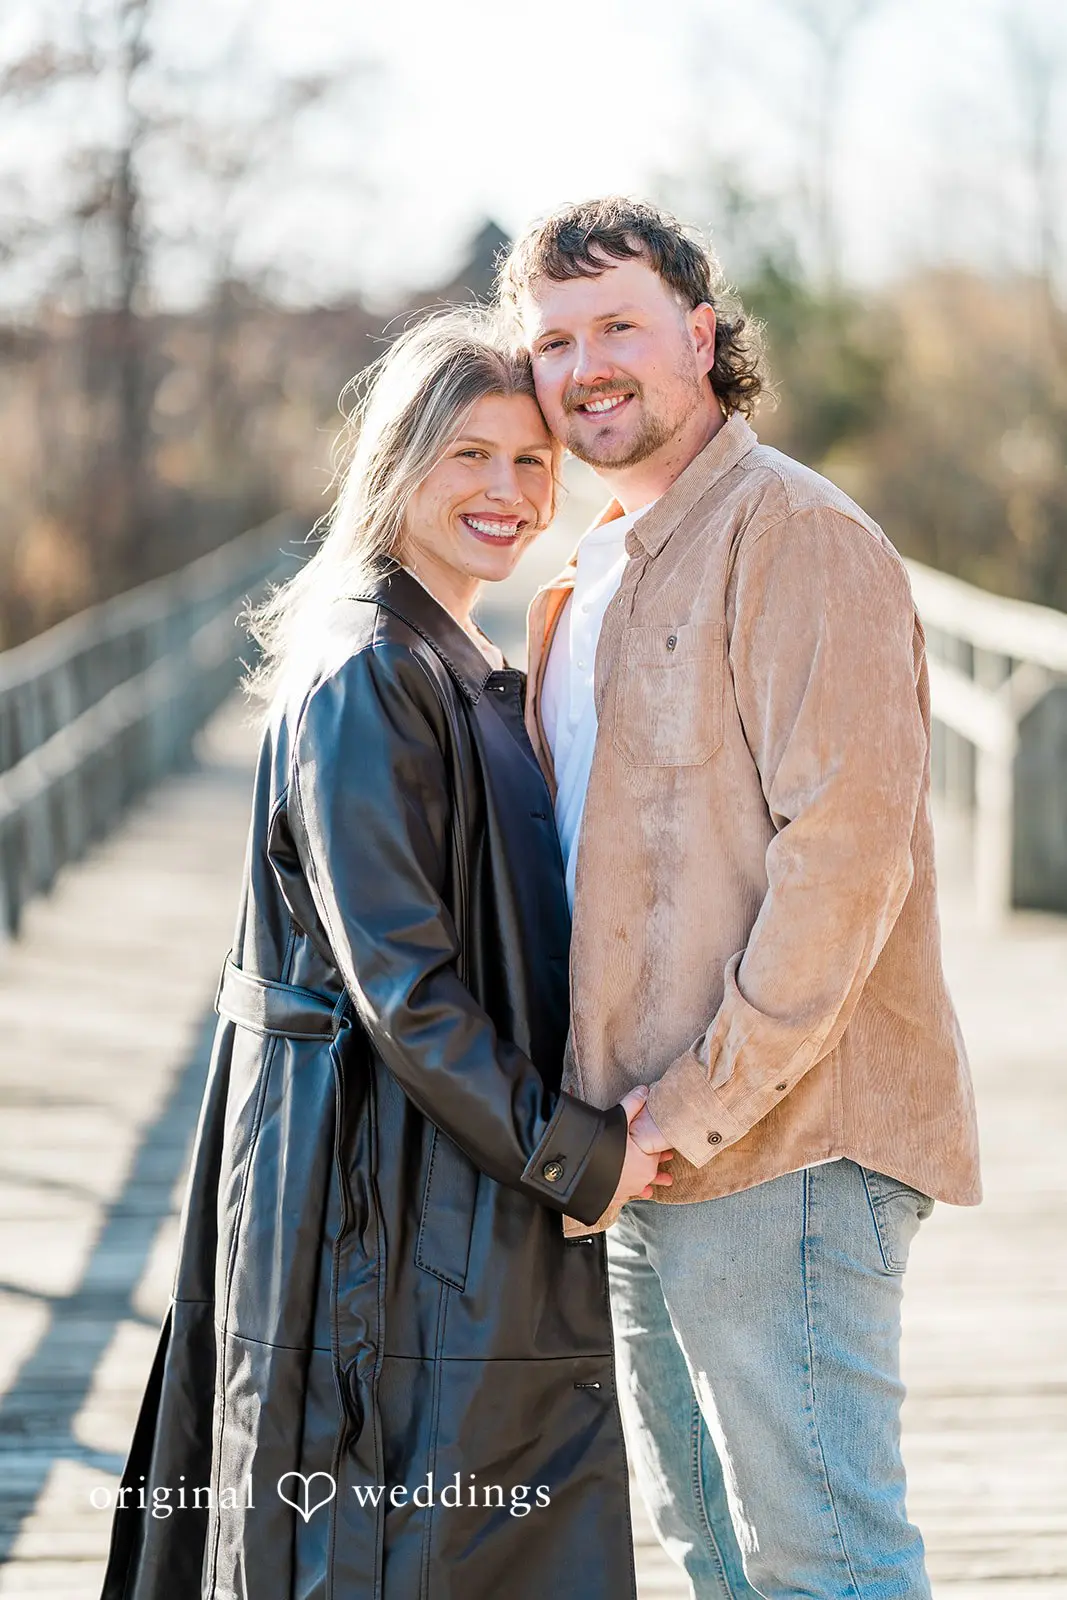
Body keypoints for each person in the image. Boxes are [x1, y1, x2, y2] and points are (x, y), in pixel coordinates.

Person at [99, 308, 673, 1600]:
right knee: (391, 1548)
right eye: (468, 455)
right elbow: (403, 991)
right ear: (397, 460)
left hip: (443, 1166)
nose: (507, 492)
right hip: (378, 1196)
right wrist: (580, 1157)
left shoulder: (448, 647)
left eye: (532, 464)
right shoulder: (371, 670)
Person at [498, 197, 982, 1600]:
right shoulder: (589, 570)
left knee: (821, 1560)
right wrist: (607, 1133)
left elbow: (845, 865)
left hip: (783, 1153)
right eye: (552, 341)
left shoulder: (795, 538)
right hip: (634, 1150)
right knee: (708, 1553)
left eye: (618, 327)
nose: (584, 365)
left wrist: (688, 1111)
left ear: (699, 336)